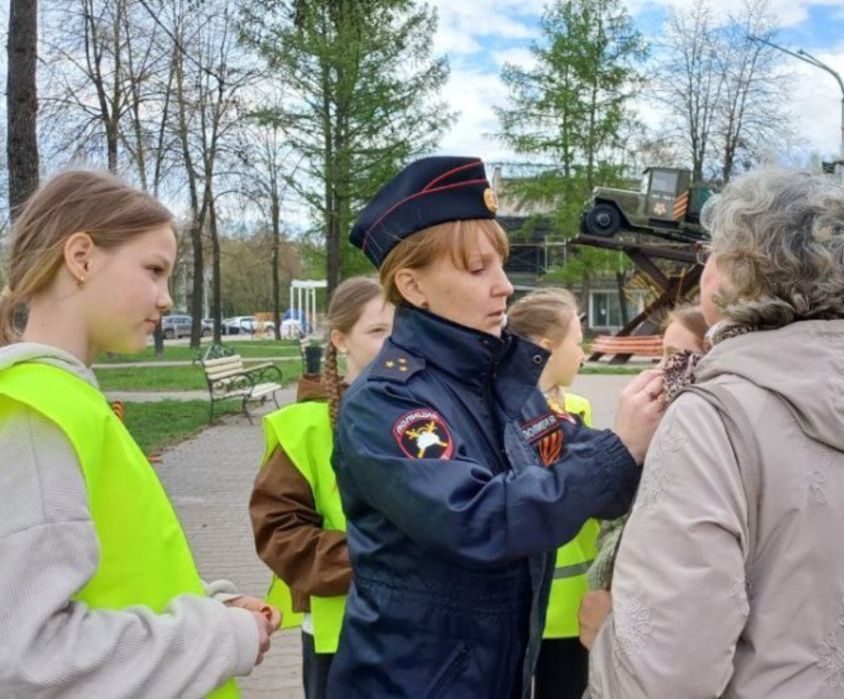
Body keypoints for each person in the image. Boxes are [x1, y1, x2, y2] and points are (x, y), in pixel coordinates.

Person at [325, 156, 665, 698]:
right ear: (413, 286)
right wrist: (618, 449)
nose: (505, 287)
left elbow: (574, 458)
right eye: (477, 269)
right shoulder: (388, 403)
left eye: (501, 266)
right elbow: (478, 520)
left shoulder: (501, 384)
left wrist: (657, 432)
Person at [582, 168, 844, 697]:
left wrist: (607, 642)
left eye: (710, 254)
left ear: (733, 275)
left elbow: (667, 673)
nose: (704, 270)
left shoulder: (711, 421)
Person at [0, 170, 278, 697]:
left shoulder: (70, 402)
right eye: (154, 270)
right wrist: (217, 636)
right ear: (80, 258)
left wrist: (206, 605)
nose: (167, 299)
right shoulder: (42, 416)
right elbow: (28, 658)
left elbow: (112, 580)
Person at [250, 277, 393, 699]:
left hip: (424, 632)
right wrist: (379, 560)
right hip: (341, 634)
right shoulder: (305, 427)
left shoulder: (429, 420)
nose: (394, 344)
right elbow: (279, 532)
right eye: (377, 331)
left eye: (402, 331)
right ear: (340, 341)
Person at [507, 288, 597, 699]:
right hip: (521, 605)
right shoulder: (504, 413)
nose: (583, 354)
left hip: (575, 604)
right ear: (547, 347)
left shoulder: (578, 408)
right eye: (578, 342)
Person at [587, 303, 709, 593]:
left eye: (676, 356)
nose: (663, 369)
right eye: (662, 355)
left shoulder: (701, 439)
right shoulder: (657, 427)